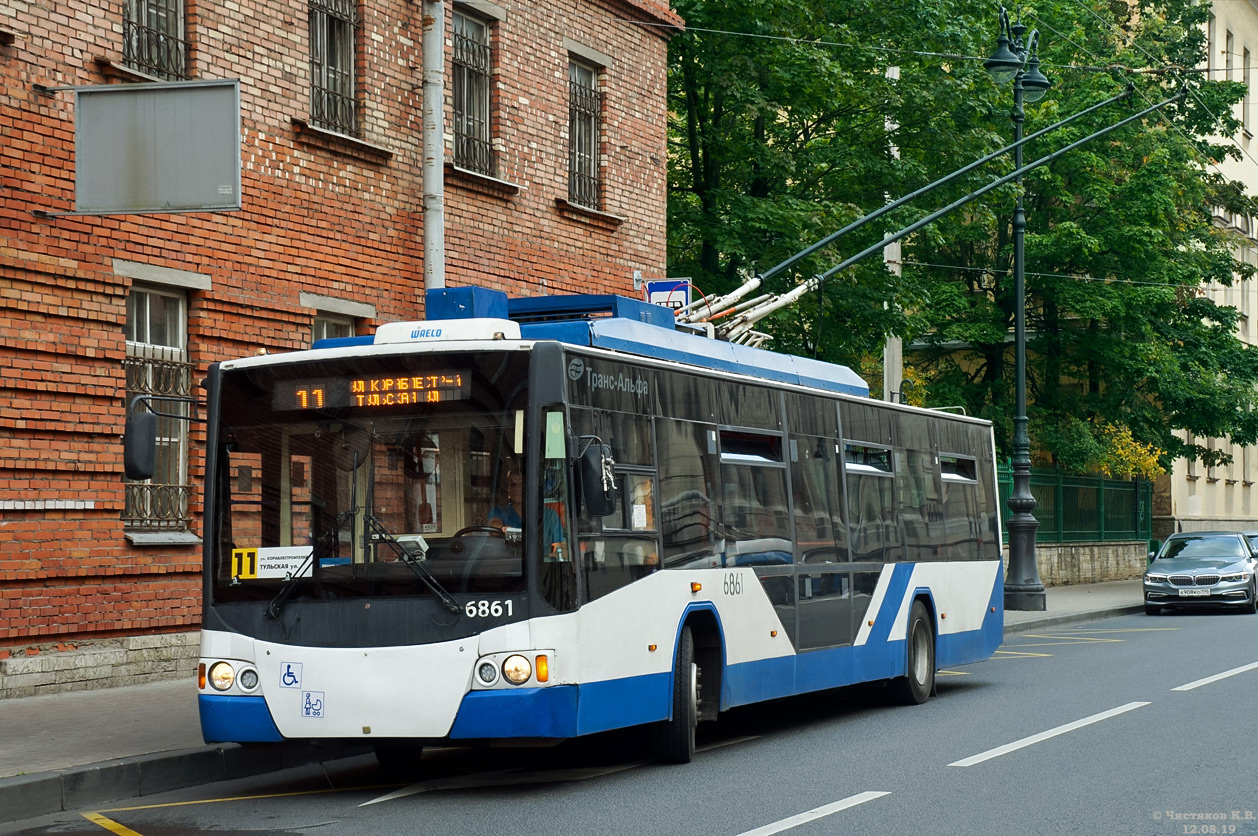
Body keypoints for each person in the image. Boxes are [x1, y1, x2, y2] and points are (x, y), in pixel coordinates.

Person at [489, 469, 565, 554]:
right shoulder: (500, 512)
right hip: (506, 564)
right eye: (513, 485)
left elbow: (561, 547)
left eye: (522, 485)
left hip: (539, 566)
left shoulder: (550, 516)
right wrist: (502, 529)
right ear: (508, 489)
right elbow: (493, 526)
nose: (518, 489)